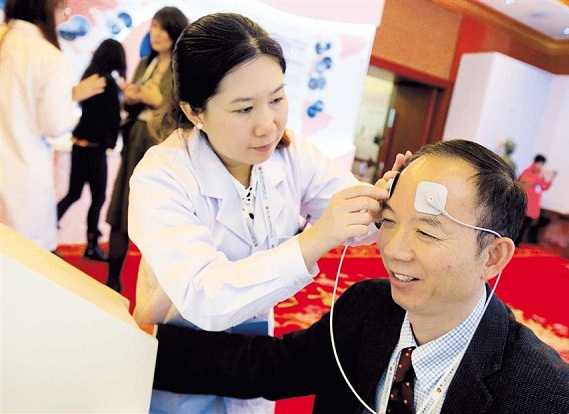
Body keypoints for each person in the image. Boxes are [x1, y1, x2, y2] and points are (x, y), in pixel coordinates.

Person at [140, 139, 569, 414]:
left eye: (427, 231)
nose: (395, 250)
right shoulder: (367, 310)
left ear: (493, 256)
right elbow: (267, 367)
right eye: (390, 221)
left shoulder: (551, 400)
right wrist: (138, 344)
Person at [128, 12, 404, 414]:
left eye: (276, 99)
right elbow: (205, 299)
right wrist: (313, 240)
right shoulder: (162, 175)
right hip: (178, 359)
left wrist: (385, 199)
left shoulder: (291, 155)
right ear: (194, 112)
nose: (267, 126)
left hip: (252, 361)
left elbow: (353, 214)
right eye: (243, 110)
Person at [0, 0, 107, 253]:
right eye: (62, 7)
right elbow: (54, 124)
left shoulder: (5, 40)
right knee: (24, 264)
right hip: (22, 176)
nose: (65, 14)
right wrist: (71, 102)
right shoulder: (48, 56)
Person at [104, 6, 188, 292]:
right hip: (136, 139)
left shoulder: (183, 69)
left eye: (163, 28)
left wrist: (155, 99)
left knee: (159, 214)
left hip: (162, 144)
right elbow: (135, 101)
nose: (156, 33)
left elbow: (179, 110)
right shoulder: (144, 64)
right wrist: (131, 96)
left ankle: (159, 287)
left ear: (175, 32)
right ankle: (112, 279)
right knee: (122, 206)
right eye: (153, 26)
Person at [56, 39, 127, 261]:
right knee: (98, 198)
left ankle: (47, 229)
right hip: (95, 150)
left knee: (73, 193)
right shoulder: (108, 83)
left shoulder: (90, 77)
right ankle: (92, 245)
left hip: (79, 146)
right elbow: (113, 118)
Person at [515, 154, 557, 246]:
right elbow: (523, 183)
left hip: (532, 205)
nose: (542, 166)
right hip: (525, 202)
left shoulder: (540, 175)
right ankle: (515, 240)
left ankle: (518, 241)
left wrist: (550, 179)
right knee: (520, 224)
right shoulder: (527, 172)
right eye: (541, 164)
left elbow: (544, 187)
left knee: (526, 225)